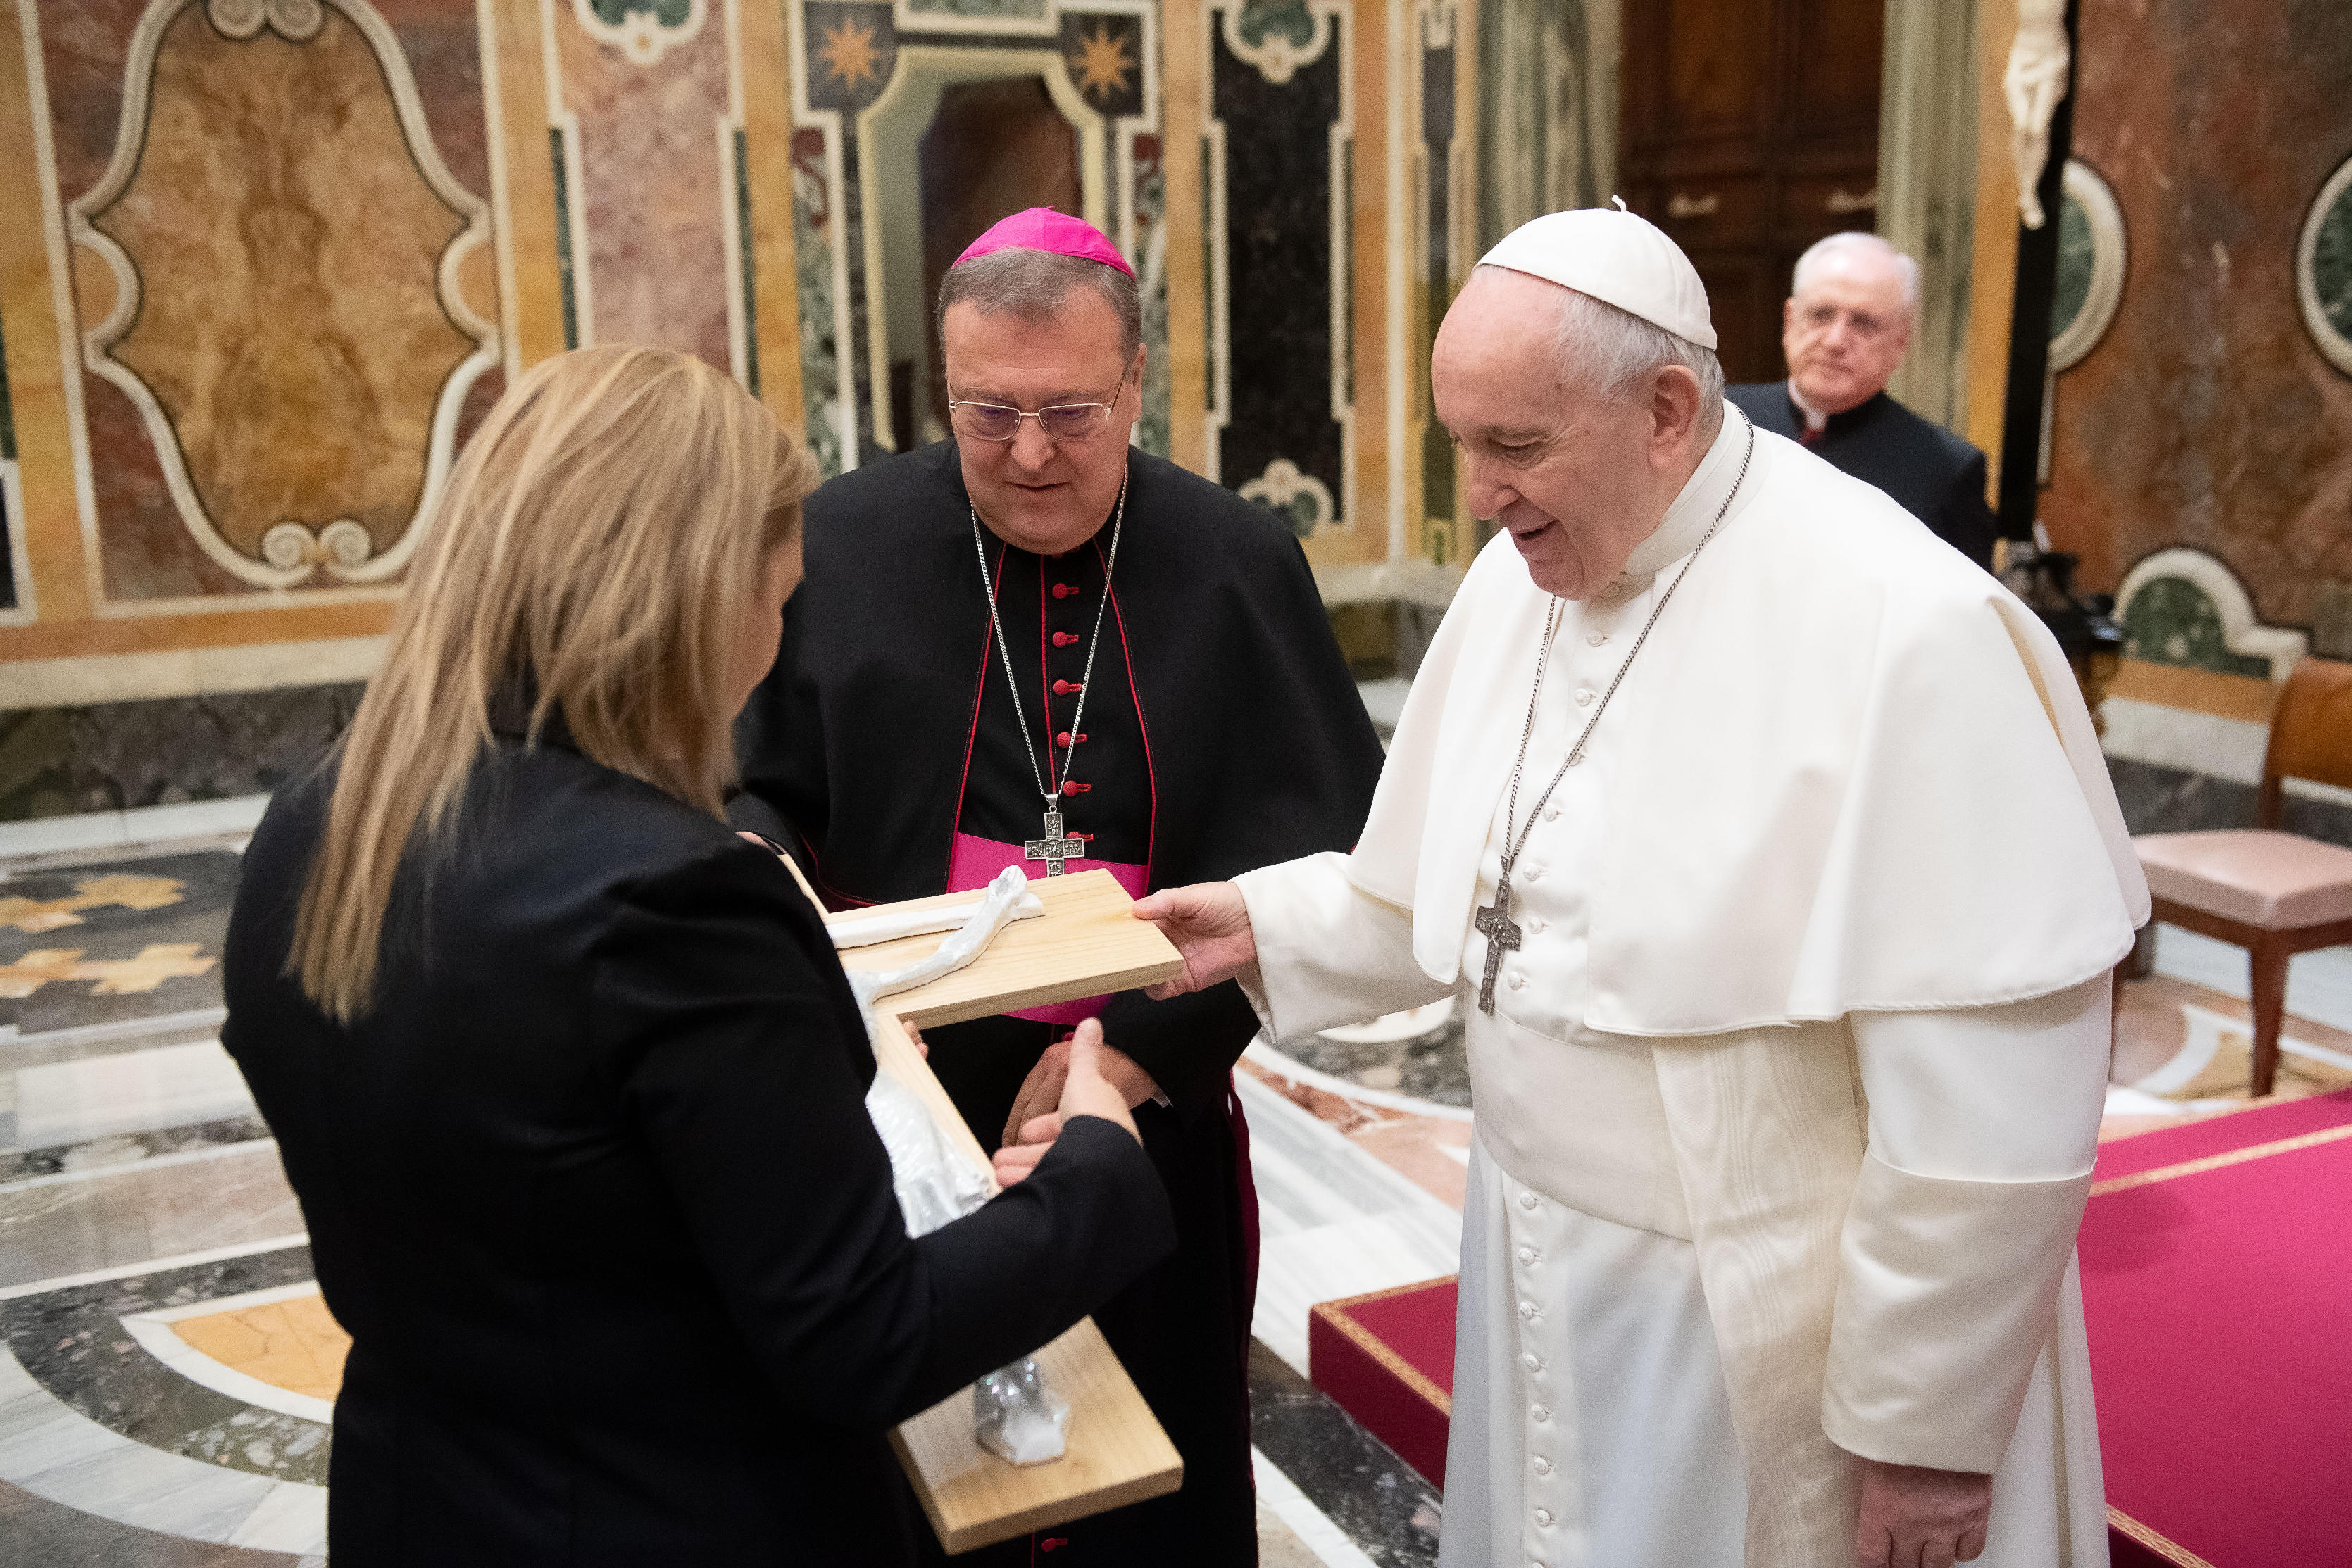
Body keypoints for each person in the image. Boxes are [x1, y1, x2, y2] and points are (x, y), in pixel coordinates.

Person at [1137, 208, 2148, 1568]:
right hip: (1533, 1252)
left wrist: (1925, 1431)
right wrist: (1264, 923)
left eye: (1515, 445)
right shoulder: (1528, 576)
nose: (1480, 495)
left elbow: (1994, 1106)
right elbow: (1477, 887)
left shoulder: (1908, 626)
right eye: (1463, 444)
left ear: (1667, 409)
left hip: (1763, 1311)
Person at [221, 346, 1176, 1567]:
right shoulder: (680, 904)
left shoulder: (317, 824)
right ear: (699, 599)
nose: (774, 644)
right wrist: (1096, 1164)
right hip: (676, 1516)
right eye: (778, 601)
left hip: (422, 1498)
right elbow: (865, 1336)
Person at [732, 208, 1386, 1565]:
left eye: (1072, 413)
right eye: (989, 414)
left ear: (1137, 383)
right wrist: (819, 984)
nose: (1030, 454)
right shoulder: (837, 542)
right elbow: (759, 791)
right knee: (910, 1480)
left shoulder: (1238, 559)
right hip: (893, 1094)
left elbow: (1319, 860)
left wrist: (1143, 1058)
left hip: (1144, 1096)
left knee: (1148, 1477)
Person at [1727, 232, 2000, 570]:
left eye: (1864, 323)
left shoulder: (1947, 469)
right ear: (1789, 320)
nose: (1835, 341)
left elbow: (1963, 599)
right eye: (1821, 314)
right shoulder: (1719, 419)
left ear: (1901, 343)